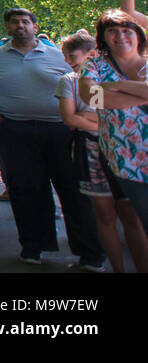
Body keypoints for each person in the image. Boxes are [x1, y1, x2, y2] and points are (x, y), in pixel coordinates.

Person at [0, 7, 105, 270]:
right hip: (16, 132)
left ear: (35, 27)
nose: (21, 26)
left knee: (73, 192)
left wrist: (88, 120)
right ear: (7, 27)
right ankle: (33, 247)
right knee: (26, 191)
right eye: (15, 22)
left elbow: (88, 89)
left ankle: (90, 253)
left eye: (26, 21)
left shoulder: (58, 55)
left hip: (61, 131)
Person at [58, 30, 148, 273]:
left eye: (73, 55)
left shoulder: (140, 67)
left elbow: (91, 110)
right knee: (105, 215)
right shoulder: (72, 79)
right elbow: (80, 112)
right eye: (66, 56)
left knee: (133, 217)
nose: (69, 61)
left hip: (131, 156)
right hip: (92, 151)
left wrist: (116, 87)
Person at [79, 9, 148, 236]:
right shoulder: (95, 66)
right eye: (112, 31)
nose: (121, 36)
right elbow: (93, 98)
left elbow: (102, 94)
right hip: (128, 162)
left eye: (127, 30)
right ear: (103, 37)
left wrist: (113, 87)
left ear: (138, 34)